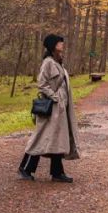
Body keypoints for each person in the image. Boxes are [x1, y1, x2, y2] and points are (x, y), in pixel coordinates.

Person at [18, 33, 79, 182]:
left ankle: (57, 173)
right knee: (41, 138)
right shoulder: (48, 62)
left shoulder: (58, 62)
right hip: (52, 108)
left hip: (60, 109)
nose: (62, 44)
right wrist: (55, 97)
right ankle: (25, 169)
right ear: (53, 46)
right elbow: (42, 84)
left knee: (57, 139)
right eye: (59, 42)